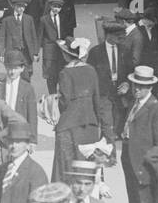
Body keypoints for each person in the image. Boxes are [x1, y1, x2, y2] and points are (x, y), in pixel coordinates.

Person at [49, 36, 114, 184]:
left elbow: (64, 101)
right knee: (88, 163)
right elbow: (96, 98)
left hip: (69, 125)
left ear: (66, 55)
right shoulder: (91, 70)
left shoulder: (65, 73)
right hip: (89, 124)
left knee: (65, 167)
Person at [119, 66, 158, 203]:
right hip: (129, 159)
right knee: (134, 202)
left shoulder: (157, 108)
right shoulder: (134, 101)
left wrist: (155, 168)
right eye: (135, 85)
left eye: (141, 86)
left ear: (150, 88)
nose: (136, 89)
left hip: (144, 165)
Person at [0, 0, 39, 73]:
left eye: (23, 7)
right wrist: (0, 54)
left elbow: (34, 37)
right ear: (14, 6)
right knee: (13, 73)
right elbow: (1, 38)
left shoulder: (29, 19)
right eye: (19, 6)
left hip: (26, 53)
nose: (21, 9)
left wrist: (35, 53)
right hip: (12, 52)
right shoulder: (7, 20)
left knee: (27, 74)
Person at [0, 50, 40, 138]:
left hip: (20, 132)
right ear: (5, 67)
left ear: (22, 68)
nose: (12, 72)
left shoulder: (27, 88)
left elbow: (32, 116)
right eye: (9, 68)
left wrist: (33, 140)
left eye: (16, 68)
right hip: (2, 131)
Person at [38, 0, 70, 96]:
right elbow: (39, 35)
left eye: (59, 7)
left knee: (62, 73)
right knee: (50, 75)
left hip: (62, 50)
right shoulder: (44, 19)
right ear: (50, 6)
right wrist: (36, 52)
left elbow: (68, 33)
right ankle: (52, 96)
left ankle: (62, 97)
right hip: (49, 50)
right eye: (54, 6)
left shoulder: (64, 18)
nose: (56, 9)